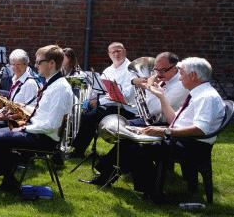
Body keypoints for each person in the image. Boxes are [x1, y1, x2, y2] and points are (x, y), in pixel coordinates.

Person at [85, 57, 225, 202]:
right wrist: (161, 97)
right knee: (130, 138)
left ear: (194, 76)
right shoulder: (198, 93)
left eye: (182, 74)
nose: (180, 78)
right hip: (181, 139)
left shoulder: (206, 97)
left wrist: (165, 132)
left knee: (136, 145)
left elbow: (200, 130)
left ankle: (152, 192)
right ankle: (108, 178)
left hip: (193, 146)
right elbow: (173, 120)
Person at [0, 45, 74, 192]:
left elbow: (52, 125)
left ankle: (9, 174)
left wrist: (23, 127)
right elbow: (42, 112)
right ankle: (9, 175)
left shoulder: (60, 89)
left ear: (52, 63)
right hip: (36, 131)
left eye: (38, 62)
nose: (35, 66)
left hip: (43, 138)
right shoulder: (53, 83)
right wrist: (23, 106)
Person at [70, 42, 137, 158]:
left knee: (90, 117)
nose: (116, 54)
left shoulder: (131, 70)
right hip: (110, 105)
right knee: (85, 113)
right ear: (109, 54)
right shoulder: (108, 70)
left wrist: (100, 101)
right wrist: (90, 99)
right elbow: (99, 89)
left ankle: (77, 151)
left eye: (119, 51)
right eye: (113, 52)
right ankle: (77, 148)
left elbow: (126, 97)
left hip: (126, 109)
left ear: (124, 51)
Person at [0, 49, 40, 133]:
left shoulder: (30, 83)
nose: (15, 68)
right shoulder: (15, 79)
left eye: (19, 64)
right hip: (11, 116)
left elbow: (29, 113)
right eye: (13, 64)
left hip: (19, 122)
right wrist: (2, 111)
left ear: (26, 64)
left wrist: (7, 118)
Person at [130, 52, 188, 126]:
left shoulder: (181, 85)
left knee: (121, 126)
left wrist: (149, 87)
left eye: (163, 70)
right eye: (156, 69)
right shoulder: (165, 76)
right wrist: (133, 81)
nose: (158, 74)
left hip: (167, 124)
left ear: (174, 68)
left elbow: (153, 110)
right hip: (155, 120)